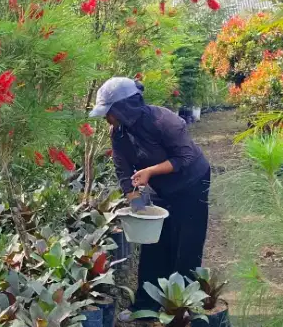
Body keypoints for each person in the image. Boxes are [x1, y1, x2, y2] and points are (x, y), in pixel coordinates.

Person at [89, 76, 211, 314]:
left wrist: (150, 171)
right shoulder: (118, 132)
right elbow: (122, 168)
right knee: (154, 243)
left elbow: (184, 157)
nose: (106, 118)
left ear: (124, 108)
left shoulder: (164, 120)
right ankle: (147, 305)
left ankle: (182, 309)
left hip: (192, 182)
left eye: (108, 112)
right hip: (160, 187)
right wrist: (134, 201)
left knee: (186, 243)